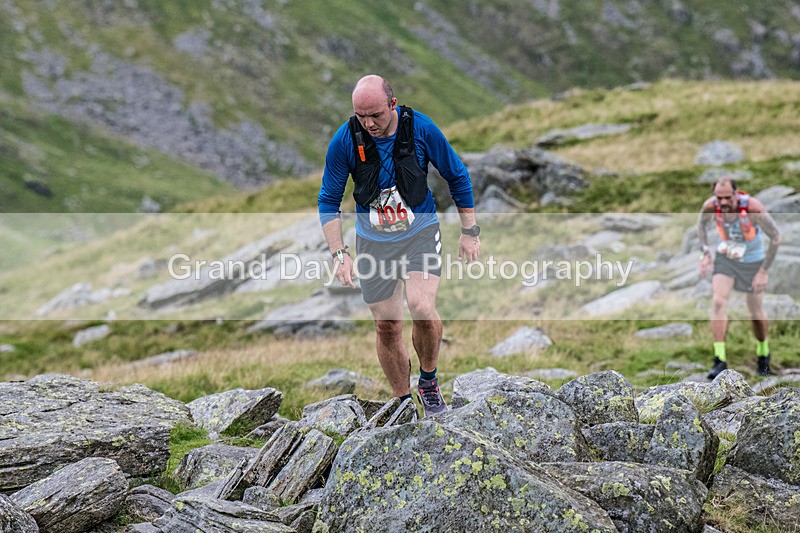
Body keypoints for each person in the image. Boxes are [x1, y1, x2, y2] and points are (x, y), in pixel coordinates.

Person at [317, 75, 480, 417]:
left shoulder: (420, 128)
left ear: (392, 104)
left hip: (420, 232)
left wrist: (470, 230)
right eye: (362, 116)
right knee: (387, 325)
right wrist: (339, 253)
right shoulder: (345, 140)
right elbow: (328, 200)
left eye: (375, 114)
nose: (369, 123)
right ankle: (402, 401)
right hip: (374, 243)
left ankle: (430, 382)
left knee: (421, 306)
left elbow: (457, 174)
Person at [697, 177, 781, 379]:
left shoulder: (753, 208)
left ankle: (763, 354)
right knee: (718, 301)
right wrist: (705, 252)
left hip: (753, 262)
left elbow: (776, 237)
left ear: (736, 194)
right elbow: (701, 225)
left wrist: (763, 271)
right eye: (719, 198)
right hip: (726, 258)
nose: (723, 202)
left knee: (755, 311)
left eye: (727, 198)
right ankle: (719, 360)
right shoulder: (711, 206)